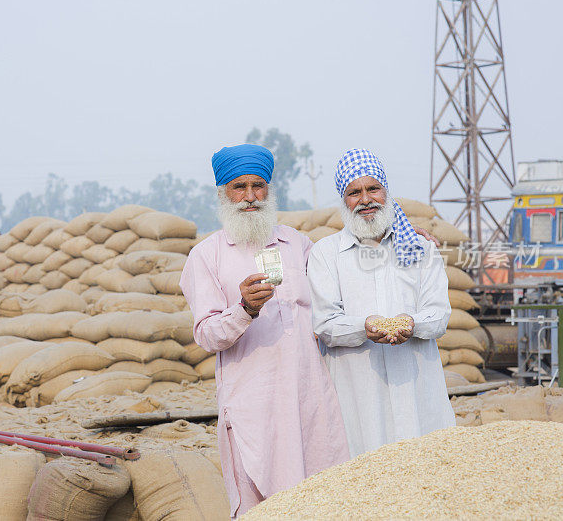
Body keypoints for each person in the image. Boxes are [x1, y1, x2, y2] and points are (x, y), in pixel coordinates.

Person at [179, 144, 350, 518]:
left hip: (309, 396)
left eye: (259, 186)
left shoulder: (297, 243)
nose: (250, 197)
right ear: (222, 192)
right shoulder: (208, 255)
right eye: (239, 187)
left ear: (270, 190)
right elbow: (206, 335)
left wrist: (396, 235)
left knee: (321, 495)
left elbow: (342, 277)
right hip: (252, 403)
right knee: (261, 502)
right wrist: (244, 309)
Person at [307, 148, 456, 459]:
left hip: (416, 386)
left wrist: (412, 324)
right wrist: (365, 327)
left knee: (426, 468)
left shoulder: (419, 248)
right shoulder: (326, 253)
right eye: (354, 192)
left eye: (373, 188)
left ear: (386, 191)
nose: (365, 199)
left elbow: (439, 313)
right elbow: (325, 322)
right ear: (343, 200)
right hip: (358, 391)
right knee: (364, 475)